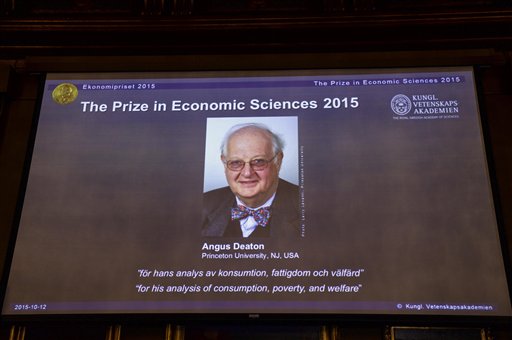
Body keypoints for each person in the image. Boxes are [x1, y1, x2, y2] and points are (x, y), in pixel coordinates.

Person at [202, 123, 300, 238]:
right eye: (236, 162)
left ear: (278, 161)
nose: (247, 173)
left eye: (258, 161)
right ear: (224, 163)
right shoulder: (203, 204)